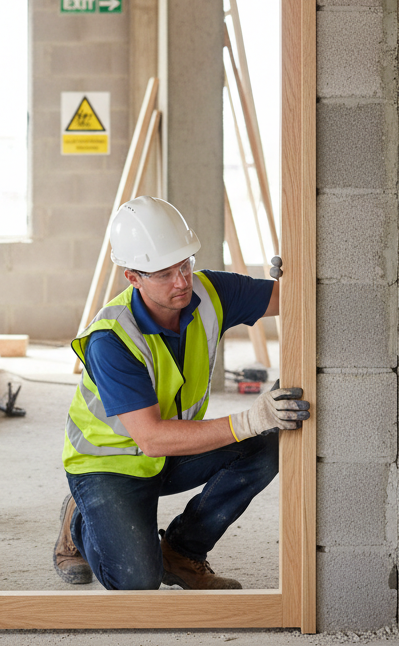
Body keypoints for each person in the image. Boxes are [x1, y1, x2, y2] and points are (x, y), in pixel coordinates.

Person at [54, 195, 309, 589]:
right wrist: (249, 418)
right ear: (133, 277)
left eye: (184, 265)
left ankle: (183, 551)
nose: (182, 282)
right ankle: (79, 518)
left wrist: (298, 276)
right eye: (163, 273)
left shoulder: (210, 292)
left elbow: (292, 301)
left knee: (267, 444)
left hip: (172, 451)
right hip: (109, 467)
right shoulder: (112, 340)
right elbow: (151, 438)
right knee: (137, 583)